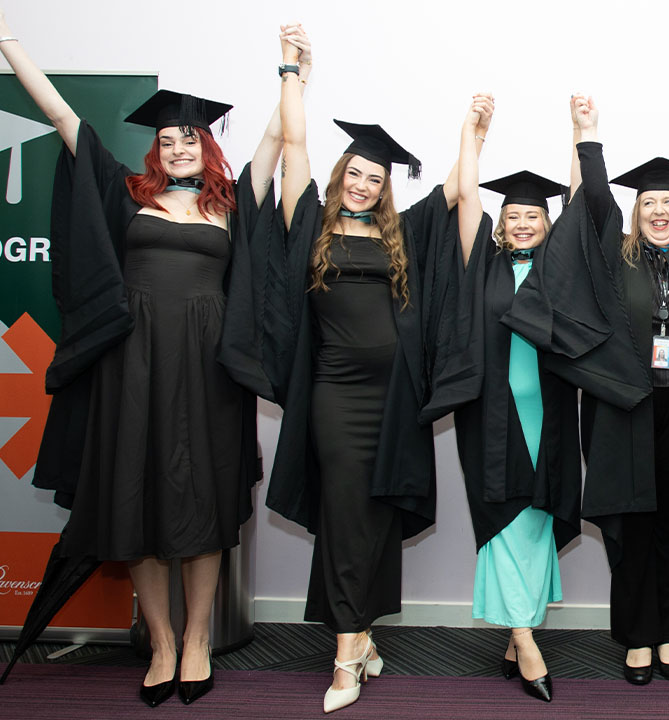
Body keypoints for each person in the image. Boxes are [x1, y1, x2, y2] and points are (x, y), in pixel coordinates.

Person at [0, 12, 309, 708]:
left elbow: (275, 140)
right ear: (153, 152)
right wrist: (8, 42)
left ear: (206, 147)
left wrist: (291, 71)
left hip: (209, 370)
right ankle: (162, 643)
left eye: (189, 138)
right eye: (166, 140)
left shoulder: (231, 206)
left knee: (202, 504)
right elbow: (61, 115)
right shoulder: (126, 197)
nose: (176, 147)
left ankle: (199, 639)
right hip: (131, 367)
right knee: (134, 500)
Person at [502, 90, 669, 685]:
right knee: (633, 529)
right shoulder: (618, 258)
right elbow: (593, 204)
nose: (659, 210)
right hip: (625, 412)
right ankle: (636, 639)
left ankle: (667, 633)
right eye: (649, 203)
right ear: (637, 213)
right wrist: (588, 136)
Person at [266, 30, 476, 714]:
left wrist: (474, 128)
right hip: (335, 399)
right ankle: (347, 655)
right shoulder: (311, 225)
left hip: (395, 401)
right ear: (341, 176)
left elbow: (452, 191)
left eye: (374, 178)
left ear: (385, 188)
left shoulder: (400, 235)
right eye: (355, 172)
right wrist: (294, 69)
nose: (362, 183)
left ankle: (362, 635)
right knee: (347, 514)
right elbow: (293, 148)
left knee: (373, 518)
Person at [446, 96, 581, 703]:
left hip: (547, 417)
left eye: (534, 217)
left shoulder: (559, 266)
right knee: (502, 521)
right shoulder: (484, 262)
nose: (523, 224)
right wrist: (474, 132)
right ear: (501, 223)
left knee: (535, 522)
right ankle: (527, 643)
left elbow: (582, 207)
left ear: (547, 224)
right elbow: (467, 197)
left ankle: (512, 632)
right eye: (514, 217)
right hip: (492, 418)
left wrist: (583, 135)